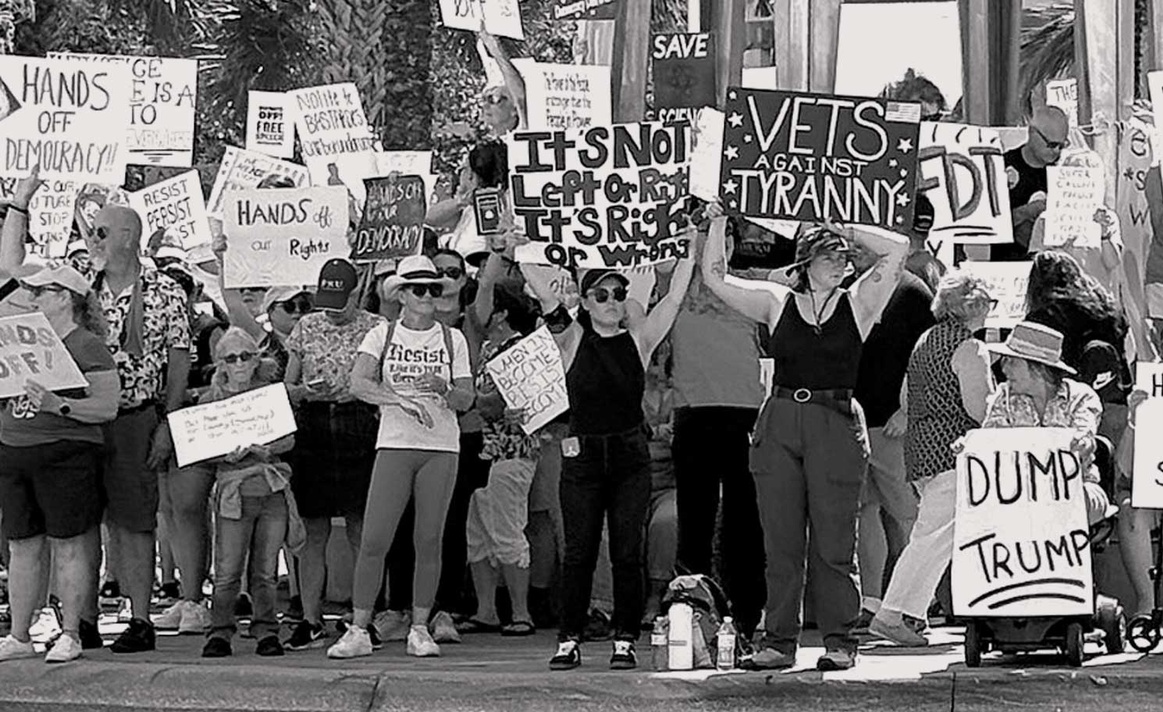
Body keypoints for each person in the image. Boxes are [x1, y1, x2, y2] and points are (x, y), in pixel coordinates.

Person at [698, 212, 909, 671]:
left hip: (835, 419)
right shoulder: (777, 302)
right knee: (781, 541)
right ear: (805, 262)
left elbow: (897, 248)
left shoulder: (859, 303)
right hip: (780, 419)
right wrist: (716, 224)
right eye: (830, 254)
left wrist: (846, 228)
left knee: (835, 541)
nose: (842, 263)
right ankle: (778, 642)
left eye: (845, 256)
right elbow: (714, 277)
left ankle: (839, 641)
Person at [0, 193, 192, 655]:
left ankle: (140, 617)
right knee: (80, 523)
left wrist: (167, 420)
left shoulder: (165, 290)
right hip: (71, 420)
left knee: (133, 519)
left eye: (101, 231)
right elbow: (11, 272)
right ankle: (81, 620)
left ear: (128, 237)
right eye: (89, 231)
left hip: (133, 416)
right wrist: (20, 205)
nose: (91, 238)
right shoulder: (77, 281)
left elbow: (180, 359)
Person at [876, 320, 1114, 647]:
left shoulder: (1080, 397)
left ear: (1038, 368)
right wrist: (969, 445)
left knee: (1071, 505)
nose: (1004, 368)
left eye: (1012, 361)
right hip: (1019, 496)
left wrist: (1080, 443)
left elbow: (1085, 433)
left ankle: (1062, 594)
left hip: (1077, 488)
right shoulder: (1004, 398)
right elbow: (989, 437)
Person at [529, 244, 695, 671]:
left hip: (628, 456)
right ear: (584, 302)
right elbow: (543, 292)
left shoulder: (639, 340)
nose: (611, 302)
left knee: (627, 550)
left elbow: (675, 297)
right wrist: (517, 244)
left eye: (618, 294)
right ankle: (569, 638)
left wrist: (693, 246)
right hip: (583, 456)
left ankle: (625, 638)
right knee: (579, 551)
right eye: (600, 295)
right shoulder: (572, 337)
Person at [327, 255, 473, 659]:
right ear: (402, 294)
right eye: (419, 288)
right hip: (394, 443)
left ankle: (421, 626)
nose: (428, 295)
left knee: (429, 538)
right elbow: (358, 383)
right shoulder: (382, 334)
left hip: (440, 447)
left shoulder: (452, 339)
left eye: (434, 288)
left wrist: (442, 387)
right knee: (375, 537)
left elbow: (466, 397)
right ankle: (358, 627)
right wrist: (399, 401)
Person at [0, 265, 119, 663]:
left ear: (65, 297)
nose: (31, 299)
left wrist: (59, 405)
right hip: (14, 450)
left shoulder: (87, 345)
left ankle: (71, 632)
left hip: (66, 453)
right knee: (21, 545)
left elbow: (106, 406)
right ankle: (20, 635)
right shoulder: (19, 339)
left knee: (69, 544)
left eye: (41, 292)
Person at [869, 272, 995, 645]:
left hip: (921, 450)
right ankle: (891, 614)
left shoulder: (926, 340)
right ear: (973, 307)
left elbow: (907, 401)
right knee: (931, 535)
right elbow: (978, 409)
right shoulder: (970, 348)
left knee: (941, 534)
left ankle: (913, 613)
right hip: (954, 451)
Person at [669, 216, 767, 642]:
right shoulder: (669, 285)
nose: (714, 241)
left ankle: (745, 619)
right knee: (694, 522)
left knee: (745, 524)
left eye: (723, 233)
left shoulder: (754, 284)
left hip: (747, 415)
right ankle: (689, 616)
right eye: (706, 233)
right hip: (693, 415)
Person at [283, 258, 384, 651]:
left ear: (355, 292)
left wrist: (358, 390)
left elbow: (384, 380)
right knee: (314, 531)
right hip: (314, 424)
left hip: (359, 422)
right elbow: (286, 386)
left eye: (339, 300)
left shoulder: (376, 327)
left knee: (362, 528)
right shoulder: (306, 326)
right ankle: (310, 618)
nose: (332, 308)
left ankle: (364, 618)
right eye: (327, 299)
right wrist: (307, 391)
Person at [200, 328, 302, 658]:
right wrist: (222, 455)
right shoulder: (211, 399)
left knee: (266, 569)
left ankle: (266, 630)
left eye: (246, 355)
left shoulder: (270, 395)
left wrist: (267, 448)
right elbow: (197, 449)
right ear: (221, 363)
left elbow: (289, 440)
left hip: (269, 488)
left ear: (257, 359)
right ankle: (220, 632)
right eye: (231, 358)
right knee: (227, 570)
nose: (240, 362)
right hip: (234, 491)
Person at [850, 243, 935, 627]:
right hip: (851, 421)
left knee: (907, 515)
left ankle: (914, 605)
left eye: (860, 244)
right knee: (865, 512)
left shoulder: (913, 291)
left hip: (891, 423)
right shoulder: (847, 288)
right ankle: (871, 601)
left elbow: (927, 356)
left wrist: (908, 409)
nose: (852, 252)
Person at [458, 283, 542, 637]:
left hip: (511, 452)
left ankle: (521, 613)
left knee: (508, 531)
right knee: (476, 534)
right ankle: (487, 610)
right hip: (483, 452)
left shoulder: (523, 350)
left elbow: (498, 404)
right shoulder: (491, 349)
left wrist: (463, 398)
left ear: (503, 313)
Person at [1024, 251, 1132, 446]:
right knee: (1112, 469)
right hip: (1114, 402)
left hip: (1070, 408)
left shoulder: (1042, 317)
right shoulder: (1108, 308)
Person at [993, 106, 1069, 262]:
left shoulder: (1064, 174)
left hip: (1048, 268)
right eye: (1051, 144)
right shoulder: (1000, 167)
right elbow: (987, 226)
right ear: (1032, 134)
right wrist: (1025, 212)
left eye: (1062, 146)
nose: (1056, 152)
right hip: (1006, 264)